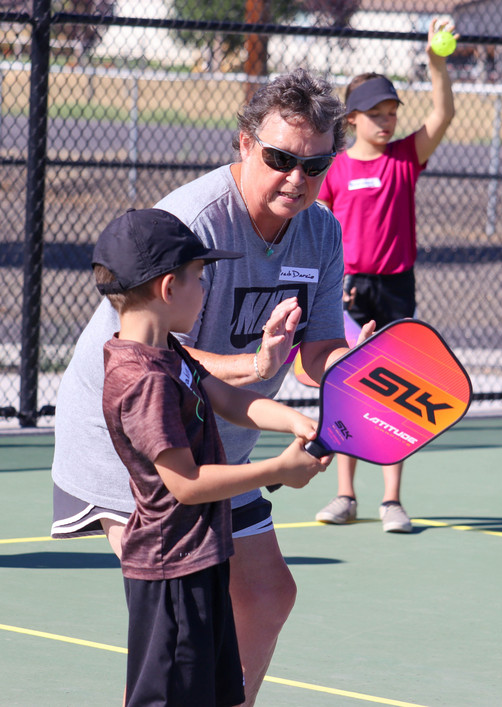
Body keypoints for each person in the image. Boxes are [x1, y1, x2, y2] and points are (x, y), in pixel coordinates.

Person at [51, 68, 374, 707]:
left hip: (219, 437)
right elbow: (158, 353)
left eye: (316, 165)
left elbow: (315, 352)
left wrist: (364, 374)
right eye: (281, 158)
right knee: (171, 634)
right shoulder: (192, 222)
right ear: (244, 144)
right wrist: (255, 368)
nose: (297, 179)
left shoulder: (322, 231)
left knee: (265, 593)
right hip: (129, 444)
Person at [93, 208, 330, 706]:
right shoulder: (142, 379)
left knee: (216, 694)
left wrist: (290, 419)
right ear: (167, 288)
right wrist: (278, 471)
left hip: (202, 557)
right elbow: (185, 482)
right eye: (200, 277)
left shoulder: (166, 353)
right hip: (170, 572)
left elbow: (224, 396)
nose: (205, 290)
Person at [315, 17, 457, 533]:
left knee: (395, 388)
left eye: (393, 112)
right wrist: (333, 281)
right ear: (352, 119)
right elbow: (323, 234)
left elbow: (444, 112)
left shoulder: (405, 158)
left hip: (397, 286)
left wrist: (437, 65)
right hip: (348, 289)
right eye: (376, 113)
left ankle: (392, 501)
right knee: (348, 385)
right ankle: (346, 495)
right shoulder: (335, 169)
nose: (387, 121)